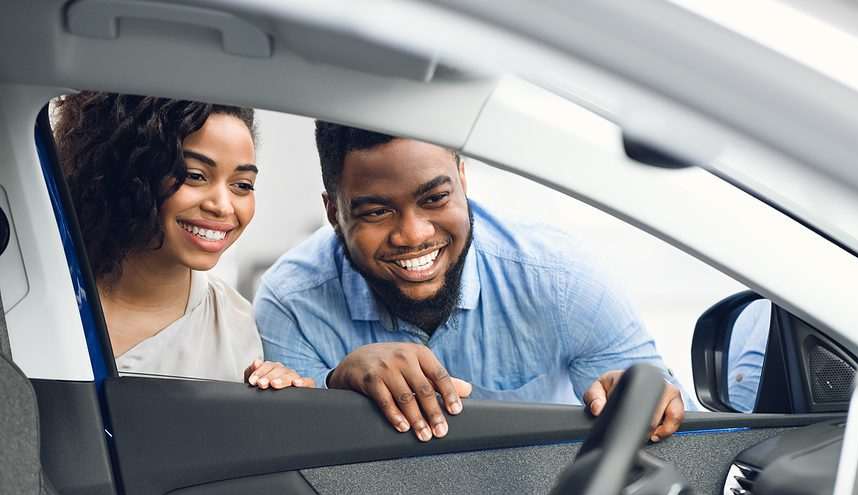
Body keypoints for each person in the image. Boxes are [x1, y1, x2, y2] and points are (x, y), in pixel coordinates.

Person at [254, 122, 687, 441]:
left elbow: (669, 419)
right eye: (376, 212)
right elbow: (290, 466)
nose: (414, 234)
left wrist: (643, 400)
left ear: (463, 181)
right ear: (334, 213)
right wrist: (336, 384)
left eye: (435, 199)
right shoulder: (291, 302)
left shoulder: (559, 279)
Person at [54, 92, 313, 388]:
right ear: (131, 171)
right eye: (195, 176)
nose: (223, 206)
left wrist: (280, 407)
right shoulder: (41, 287)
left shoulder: (235, 326)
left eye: (242, 185)